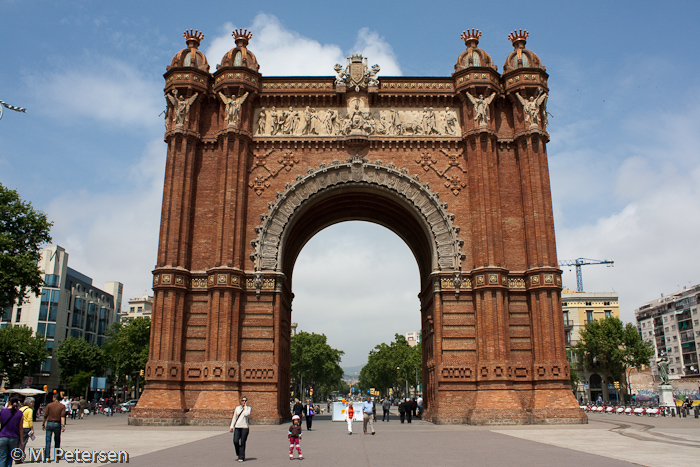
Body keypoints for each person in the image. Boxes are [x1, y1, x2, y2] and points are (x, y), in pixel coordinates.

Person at [0, 396, 24, 466]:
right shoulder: (19, 413)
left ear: (8, 402)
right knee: (10, 458)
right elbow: (20, 428)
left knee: (2, 457)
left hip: (3, 436)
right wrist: (21, 440)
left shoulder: (2, 411)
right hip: (14, 438)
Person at [43, 394, 65, 461]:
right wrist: (63, 425)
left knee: (48, 440)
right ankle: (57, 456)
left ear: (54, 398)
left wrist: (43, 424)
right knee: (57, 440)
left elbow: (45, 415)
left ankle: (47, 457)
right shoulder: (62, 406)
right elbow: (62, 416)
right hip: (57, 424)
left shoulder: (49, 405)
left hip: (49, 423)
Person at [230, 396, 251, 462]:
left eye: (245, 400)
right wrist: (231, 426)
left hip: (245, 427)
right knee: (235, 441)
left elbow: (246, 414)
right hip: (237, 427)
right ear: (240, 401)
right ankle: (238, 452)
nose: (244, 402)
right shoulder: (237, 408)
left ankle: (241, 457)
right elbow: (234, 418)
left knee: (242, 442)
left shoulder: (248, 408)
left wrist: (245, 407)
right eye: (242, 400)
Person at [18, 397, 35, 461]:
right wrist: (32, 429)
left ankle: (16, 456)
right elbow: (30, 420)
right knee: (23, 443)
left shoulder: (20, 409)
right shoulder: (30, 410)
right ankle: (19, 457)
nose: (33, 404)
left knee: (19, 442)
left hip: (20, 427)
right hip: (26, 427)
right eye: (32, 402)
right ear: (29, 403)